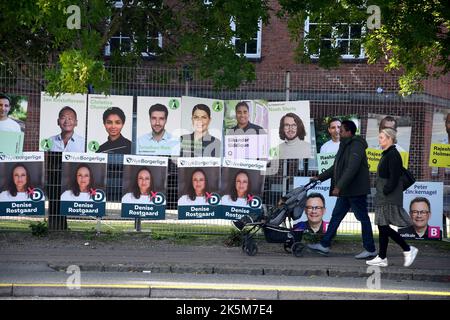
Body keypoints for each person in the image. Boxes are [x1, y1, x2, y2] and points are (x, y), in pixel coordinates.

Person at [307, 120, 377, 259]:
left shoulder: (356, 145)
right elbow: (336, 167)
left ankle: (370, 249)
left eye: (342, 130)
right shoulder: (344, 145)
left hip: (355, 190)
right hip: (347, 190)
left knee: (362, 218)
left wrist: (339, 186)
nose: (339, 132)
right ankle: (325, 245)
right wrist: (319, 177)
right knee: (337, 216)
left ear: (349, 132)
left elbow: (352, 168)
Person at [366, 128, 418, 267]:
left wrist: (385, 190)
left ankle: (407, 249)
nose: (379, 139)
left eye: (382, 137)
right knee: (383, 226)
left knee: (382, 226)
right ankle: (382, 257)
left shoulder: (393, 154)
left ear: (390, 138)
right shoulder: (388, 153)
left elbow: (394, 177)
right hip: (385, 195)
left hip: (387, 196)